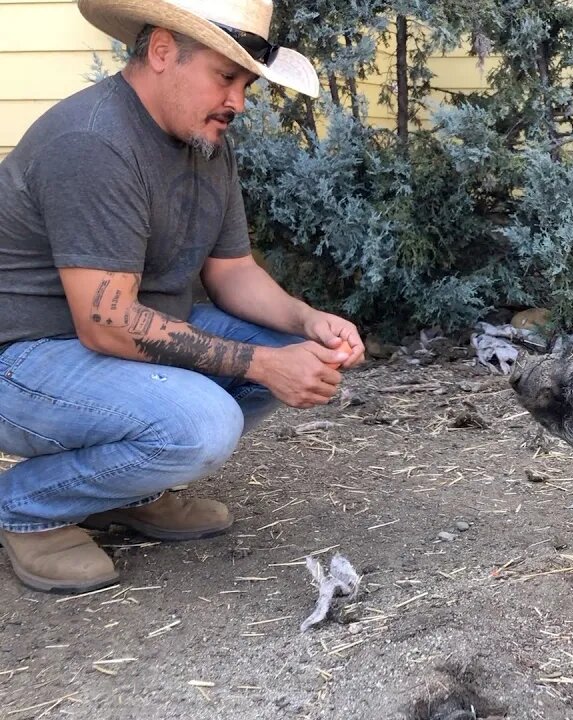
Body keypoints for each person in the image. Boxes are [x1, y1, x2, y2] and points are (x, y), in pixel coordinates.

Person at [0, 0, 366, 594]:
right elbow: (108, 323)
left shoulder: (205, 141)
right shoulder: (93, 142)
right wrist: (265, 364)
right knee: (202, 424)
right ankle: (24, 507)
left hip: (105, 346)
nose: (238, 102)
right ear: (164, 51)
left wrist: (309, 321)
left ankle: (126, 490)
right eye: (226, 77)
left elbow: (232, 272)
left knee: (294, 348)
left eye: (246, 83)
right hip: (23, 360)